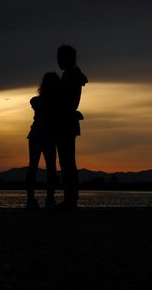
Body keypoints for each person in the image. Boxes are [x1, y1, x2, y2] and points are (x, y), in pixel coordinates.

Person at [56, 44, 88, 210]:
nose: (58, 61)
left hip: (66, 121)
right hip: (66, 120)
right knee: (66, 161)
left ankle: (70, 199)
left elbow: (69, 101)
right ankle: (70, 198)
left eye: (60, 58)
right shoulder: (71, 75)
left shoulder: (71, 76)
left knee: (67, 161)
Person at [26, 72, 61, 210]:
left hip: (38, 135)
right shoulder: (54, 102)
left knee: (34, 166)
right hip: (46, 136)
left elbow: (33, 101)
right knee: (49, 167)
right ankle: (48, 199)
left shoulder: (40, 101)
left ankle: (33, 198)